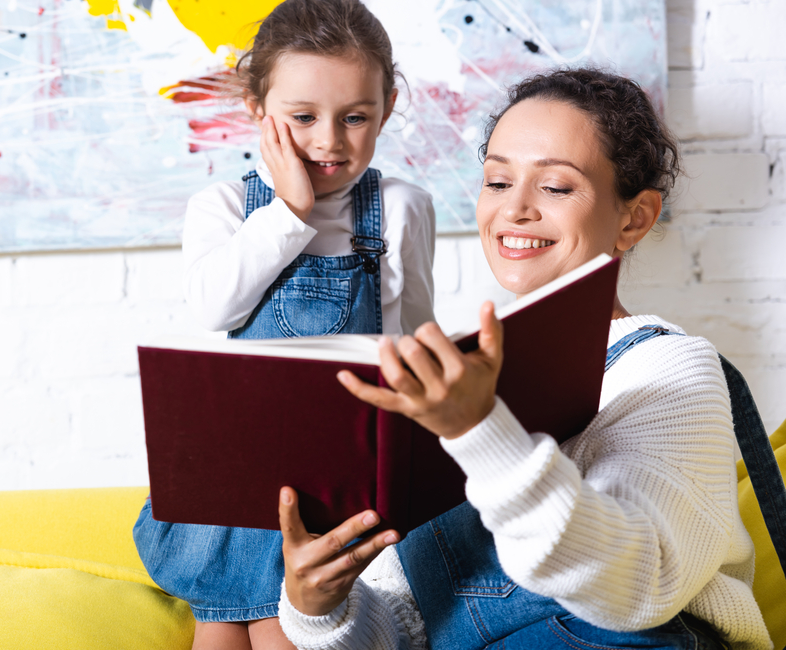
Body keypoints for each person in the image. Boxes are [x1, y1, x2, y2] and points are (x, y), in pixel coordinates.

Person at [275, 68, 774, 650]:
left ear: (634, 218)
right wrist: (319, 608)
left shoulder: (668, 370)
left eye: (556, 187)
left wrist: (480, 431)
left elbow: (639, 587)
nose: (515, 210)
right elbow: (405, 631)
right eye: (497, 182)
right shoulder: (440, 383)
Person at [133, 0, 436, 650]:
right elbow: (217, 307)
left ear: (386, 107)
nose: (328, 141)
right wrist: (291, 212)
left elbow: (413, 338)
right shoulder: (221, 207)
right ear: (256, 109)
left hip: (337, 476)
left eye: (355, 117)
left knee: (284, 630)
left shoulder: (400, 207)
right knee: (219, 625)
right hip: (237, 478)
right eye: (302, 117)